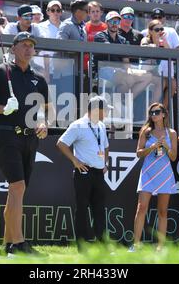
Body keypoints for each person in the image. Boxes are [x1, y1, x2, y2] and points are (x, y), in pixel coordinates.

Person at [0, 32, 51, 257]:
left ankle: (8, 245)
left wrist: (44, 123)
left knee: (16, 191)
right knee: (17, 187)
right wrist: (2, 108)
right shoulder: (1, 72)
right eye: (24, 45)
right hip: (6, 136)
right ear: (13, 48)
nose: (29, 49)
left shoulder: (39, 79)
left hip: (30, 139)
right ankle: (19, 244)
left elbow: (46, 110)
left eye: (32, 46)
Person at [57, 96, 111, 250]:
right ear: (96, 110)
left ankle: (102, 245)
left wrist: (104, 163)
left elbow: (106, 146)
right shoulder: (78, 125)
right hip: (84, 172)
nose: (106, 113)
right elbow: (61, 143)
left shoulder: (101, 125)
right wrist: (75, 161)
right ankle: (81, 245)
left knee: (99, 209)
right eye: (105, 110)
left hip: (99, 173)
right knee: (82, 208)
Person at [131, 103, 178, 251]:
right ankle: (136, 244)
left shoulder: (171, 133)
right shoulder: (146, 131)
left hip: (164, 173)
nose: (154, 115)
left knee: (163, 211)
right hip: (148, 172)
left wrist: (165, 146)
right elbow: (138, 153)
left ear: (164, 114)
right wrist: (151, 147)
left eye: (157, 112)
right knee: (141, 208)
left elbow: (173, 156)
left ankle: (160, 246)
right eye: (151, 112)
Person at [141, 19, 175, 110]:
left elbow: (170, 54)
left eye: (161, 29)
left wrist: (164, 40)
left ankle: (163, 110)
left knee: (172, 82)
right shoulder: (146, 39)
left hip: (154, 73)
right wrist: (154, 46)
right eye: (157, 30)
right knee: (162, 81)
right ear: (151, 31)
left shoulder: (162, 43)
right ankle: (152, 109)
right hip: (144, 72)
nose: (160, 31)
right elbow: (144, 47)